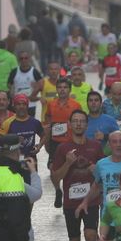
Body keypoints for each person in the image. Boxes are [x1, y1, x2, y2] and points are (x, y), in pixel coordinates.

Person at [49, 110, 105, 241]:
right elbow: (55, 179)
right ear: (70, 124)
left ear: (87, 125)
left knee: (90, 236)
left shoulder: (95, 146)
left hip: (91, 201)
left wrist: (93, 169)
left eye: (82, 121)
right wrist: (67, 163)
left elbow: (103, 175)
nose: (79, 124)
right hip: (71, 203)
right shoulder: (63, 149)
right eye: (75, 121)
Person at [44, 78, 82, 206]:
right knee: (52, 168)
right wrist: (45, 142)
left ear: (69, 90)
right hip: (55, 142)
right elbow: (48, 121)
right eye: (60, 87)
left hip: (71, 142)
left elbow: (80, 122)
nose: (62, 90)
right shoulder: (51, 104)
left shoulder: (76, 105)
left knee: (71, 169)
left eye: (65, 87)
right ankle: (57, 190)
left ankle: (70, 193)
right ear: (56, 89)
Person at [0, 94, 44, 159]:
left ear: (27, 106)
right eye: (18, 104)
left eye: (24, 104)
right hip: (13, 160)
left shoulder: (35, 122)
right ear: (14, 106)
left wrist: (39, 147)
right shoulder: (7, 123)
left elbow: (44, 135)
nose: (21, 107)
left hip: (31, 160)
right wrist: (13, 139)